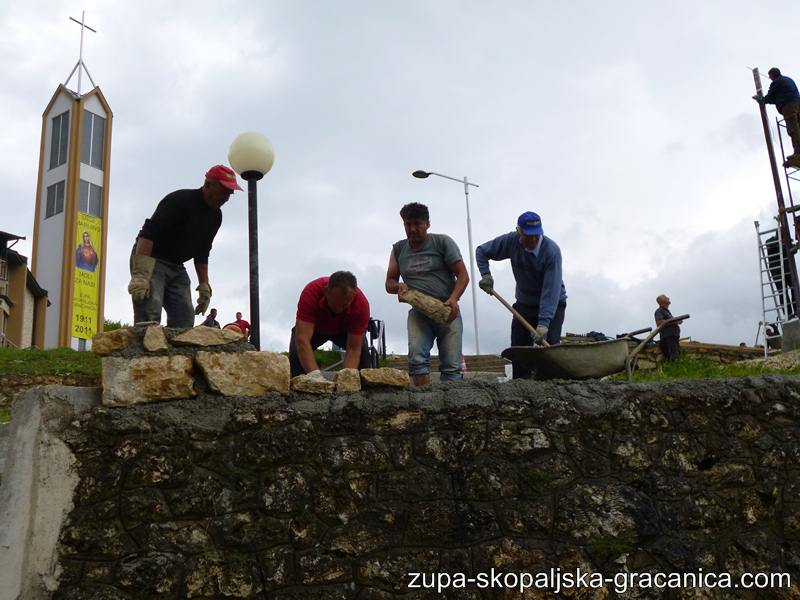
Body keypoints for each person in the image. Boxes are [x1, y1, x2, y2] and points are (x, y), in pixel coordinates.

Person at [127, 165, 242, 328]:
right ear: (208, 185)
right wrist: (141, 275)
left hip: (176, 267)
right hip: (151, 259)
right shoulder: (179, 200)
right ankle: (144, 350)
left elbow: (202, 252)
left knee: (184, 319)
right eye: (223, 191)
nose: (226, 198)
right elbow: (147, 235)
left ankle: (175, 353)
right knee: (150, 311)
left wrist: (204, 286)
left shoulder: (216, 217)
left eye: (230, 194)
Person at [476, 211, 568, 379]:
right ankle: (520, 386)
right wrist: (486, 275)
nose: (533, 240)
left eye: (536, 235)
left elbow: (551, 291)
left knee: (550, 352)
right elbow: (481, 251)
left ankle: (550, 388)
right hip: (525, 304)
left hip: (553, 304)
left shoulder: (551, 252)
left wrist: (544, 323)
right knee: (519, 350)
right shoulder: (511, 242)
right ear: (519, 232)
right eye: (528, 236)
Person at [385, 202, 469, 385]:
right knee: (417, 359)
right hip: (419, 311)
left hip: (447, 310)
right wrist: (398, 286)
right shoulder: (399, 249)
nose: (412, 229)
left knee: (451, 366)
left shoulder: (442, 242)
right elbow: (389, 282)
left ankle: (452, 408)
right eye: (408, 224)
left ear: (427, 224)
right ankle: (423, 405)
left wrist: (453, 299)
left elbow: (463, 275)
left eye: (417, 224)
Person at [289, 271, 372, 378]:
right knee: (296, 353)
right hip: (315, 329)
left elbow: (353, 349)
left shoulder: (361, 305)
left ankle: (363, 392)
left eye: (344, 305)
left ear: (353, 296)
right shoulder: (311, 292)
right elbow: (303, 339)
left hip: (344, 331)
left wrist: (347, 380)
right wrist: (315, 376)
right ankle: (301, 390)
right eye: (335, 304)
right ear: (326, 292)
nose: (339, 309)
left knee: (363, 355)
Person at [754, 67, 800, 161]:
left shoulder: (776, 82)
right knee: (798, 127)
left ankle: (798, 152)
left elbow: (770, 96)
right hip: (797, 104)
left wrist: (762, 100)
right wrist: (767, 100)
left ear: (772, 75)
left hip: (789, 106)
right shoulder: (787, 79)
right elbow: (776, 98)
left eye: (770, 75)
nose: (769, 77)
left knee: (793, 129)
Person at [654, 294, 682, 361]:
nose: (668, 298)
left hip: (673, 336)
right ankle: (674, 369)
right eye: (666, 297)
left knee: (676, 355)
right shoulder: (659, 311)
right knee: (673, 357)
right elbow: (659, 322)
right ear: (662, 301)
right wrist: (674, 321)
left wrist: (676, 321)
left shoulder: (666, 311)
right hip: (668, 337)